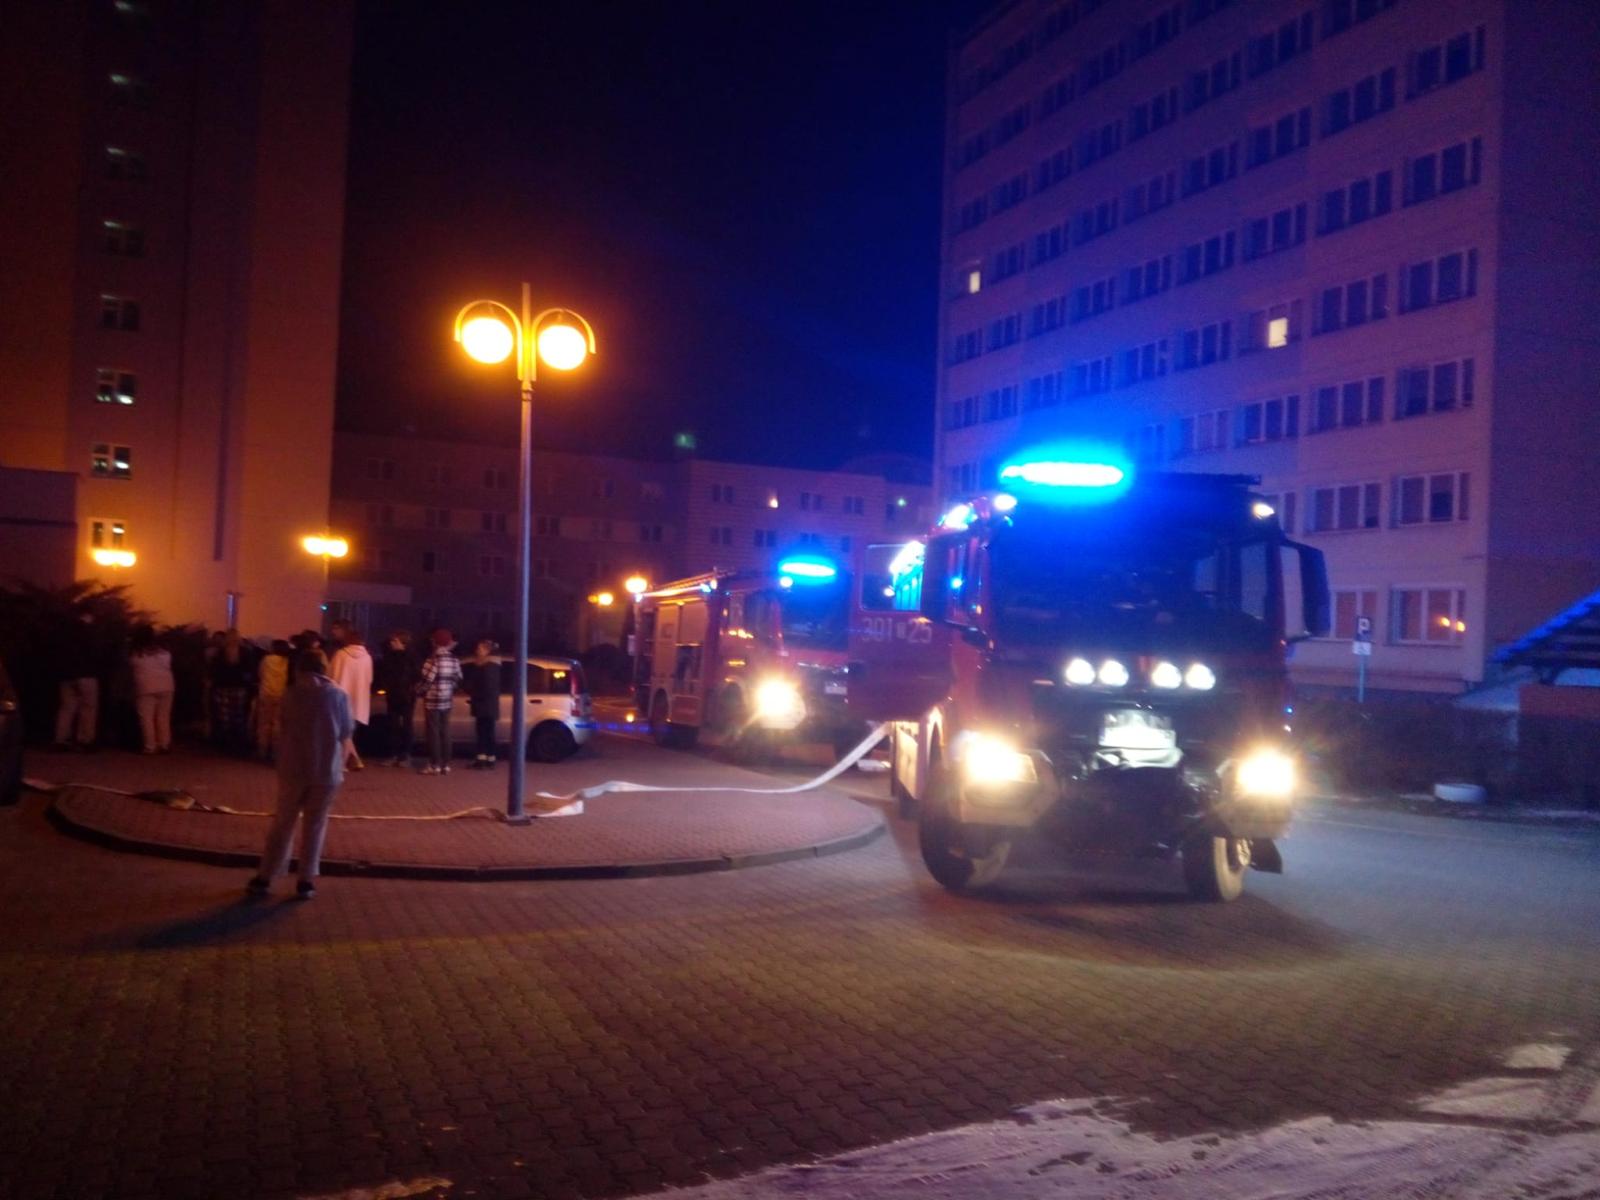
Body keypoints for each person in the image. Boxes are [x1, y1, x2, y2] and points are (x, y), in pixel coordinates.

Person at [246, 651, 354, 900]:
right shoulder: (337, 695)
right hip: (326, 769)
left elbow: (282, 726)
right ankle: (306, 880)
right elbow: (345, 730)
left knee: (283, 823)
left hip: (293, 767)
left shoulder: (291, 694)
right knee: (315, 825)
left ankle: (266, 875)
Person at [53, 612, 101, 751]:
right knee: (88, 709)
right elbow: (96, 654)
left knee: (66, 709)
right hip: (86, 675)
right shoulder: (89, 634)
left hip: (66, 676)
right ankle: (86, 740)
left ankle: (60, 740)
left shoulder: (64, 634)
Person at [327, 625, 373, 771]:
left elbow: (331, 675)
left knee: (342, 732)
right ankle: (353, 760)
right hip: (359, 699)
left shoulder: (341, 654)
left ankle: (344, 763)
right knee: (349, 732)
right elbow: (369, 679)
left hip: (340, 697)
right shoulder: (367, 657)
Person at [418, 628, 462, 775]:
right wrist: (448, 688)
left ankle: (434, 764)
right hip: (447, 699)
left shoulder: (432, 659)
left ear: (435, 642)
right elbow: (458, 678)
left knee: (433, 732)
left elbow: (427, 680)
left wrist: (418, 691)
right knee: (446, 730)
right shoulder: (454, 659)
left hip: (432, 700)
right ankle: (446, 764)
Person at [374, 631, 420, 767]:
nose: (392, 643)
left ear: (403, 643)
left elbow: (417, 675)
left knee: (406, 725)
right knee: (393, 725)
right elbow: (385, 674)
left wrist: (410, 689)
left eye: (395, 641)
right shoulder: (390, 657)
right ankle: (393, 754)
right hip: (393, 694)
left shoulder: (411, 657)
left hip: (407, 695)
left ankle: (406, 755)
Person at [128, 626, 175, 754]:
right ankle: (164, 744)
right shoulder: (164, 652)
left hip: (145, 687)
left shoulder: (136, 654)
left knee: (146, 718)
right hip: (166, 685)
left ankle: (150, 746)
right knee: (163, 716)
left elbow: (132, 667)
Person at [209, 629, 255, 754]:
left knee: (224, 717)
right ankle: (238, 744)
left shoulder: (220, 653)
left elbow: (214, 671)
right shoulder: (245, 652)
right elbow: (250, 671)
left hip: (222, 688)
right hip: (239, 689)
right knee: (238, 716)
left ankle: (224, 743)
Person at [466, 639, 502, 769]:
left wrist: (474, 694)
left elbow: (486, 687)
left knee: (483, 732)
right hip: (488, 705)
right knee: (487, 732)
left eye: (480, 649)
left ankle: (482, 760)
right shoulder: (492, 666)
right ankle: (488, 759)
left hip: (484, 705)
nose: (477, 651)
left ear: (487, 651)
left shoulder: (487, 667)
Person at [255, 639, 292, 761]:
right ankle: (275, 751)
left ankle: (262, 749)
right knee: (278, 723)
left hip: (266, 693)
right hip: (281, 694)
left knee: (264, 723)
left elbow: (260, 674)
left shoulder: (267, 660)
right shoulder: (287, 661)